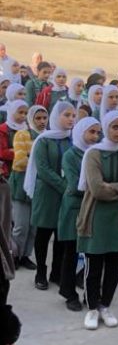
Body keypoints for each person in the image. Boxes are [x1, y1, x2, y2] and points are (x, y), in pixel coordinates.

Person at [77, 111, 118, 330]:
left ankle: (105, 305)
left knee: (114, 267)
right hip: (96, 217)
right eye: (115, 127)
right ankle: (92, 308)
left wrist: (111, 186)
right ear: (106, 128)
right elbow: (97, 189)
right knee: (94, 266)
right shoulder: (94, 154)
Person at [24, 102, 75, 290]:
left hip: (66, 194)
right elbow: (43, 169)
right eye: (67, 115)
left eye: (73, 115)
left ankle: (56, 272)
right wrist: (65, 186)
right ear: (56, 116)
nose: (71, 119)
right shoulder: (44, 140)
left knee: (61, 235)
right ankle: (41, 272)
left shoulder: (72, 139)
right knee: (43, 235)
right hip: (47, 193)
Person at [58, 117, 100, 312]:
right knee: (71, 253)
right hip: (74, 208)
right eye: (91, 132)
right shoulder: (70, 155)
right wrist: (101, 188)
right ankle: (68, 293)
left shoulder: (98, 153)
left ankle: (90, 293)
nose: (95, 136)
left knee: (92, 253)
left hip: (93, 207)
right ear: (80, 132)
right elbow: (75, 185)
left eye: (97, 132)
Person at [8, 106, 47, 271]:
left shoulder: (48, 136)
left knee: (33, 227)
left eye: (44, 118)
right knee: (21, 226)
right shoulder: (22, 134)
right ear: (31, 119)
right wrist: (40, 161)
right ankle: (13, 256)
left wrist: (32, 157)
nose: (42, 121)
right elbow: (19, 162)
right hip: (21, 185)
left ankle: (25, 256)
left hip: (39, 187)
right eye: (38, 118)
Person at [0, 101, 27, 265]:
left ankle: (21, 254)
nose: (23, 116)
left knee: (20, 220)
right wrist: (20, 152)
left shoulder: (27, 129)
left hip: (23, 175)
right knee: (9, 218)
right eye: (20, 112)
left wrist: (16, 151)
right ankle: (11, 254)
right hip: (7, 175)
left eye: (25, 113)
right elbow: (2, 152)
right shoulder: (3, 129)